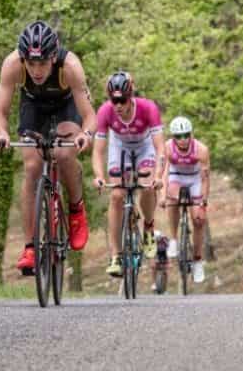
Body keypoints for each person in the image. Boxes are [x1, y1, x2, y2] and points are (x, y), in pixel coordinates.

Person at [0, 20, 96, 275]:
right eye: (32, 63)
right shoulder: (13, 65)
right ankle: (30, 247)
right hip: (33, 105)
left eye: (43, 63)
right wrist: (2, 133)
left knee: (63, 152)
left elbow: (90, 116)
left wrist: (85, 135)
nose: (37, 70)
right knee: (32, 166)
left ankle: (76, 209)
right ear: (24, 59)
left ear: (53, 56)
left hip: (66, 105)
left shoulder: (69, 66)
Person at [90, 72, 166, 278]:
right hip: (120, 147)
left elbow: (160, 148)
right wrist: (98, 176)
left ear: (130, 96)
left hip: (144, 146)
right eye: (114, 100)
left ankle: (149, 227)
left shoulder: (148, 108)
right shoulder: (105, 112)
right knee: (116, 195)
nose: (118, 105)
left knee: (147, 184)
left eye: (122, 100)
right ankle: (116, 256)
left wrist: (159, 176)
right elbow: (97, 151)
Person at [162, 115, 211, 283]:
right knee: (172, 197)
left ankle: (197, 260)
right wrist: (162, 196)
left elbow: (205, 178)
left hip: (195, 179)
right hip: (176, 177)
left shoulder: (201, 150)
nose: (182, 140)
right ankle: (174, 239)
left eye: (186, 135)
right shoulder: (167, 147)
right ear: (173, 137)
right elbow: (164, 173)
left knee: (198, 220)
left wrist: (203, 202)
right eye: (178, 136)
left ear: (191, 134)